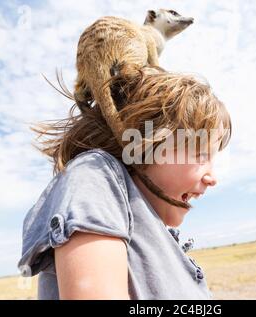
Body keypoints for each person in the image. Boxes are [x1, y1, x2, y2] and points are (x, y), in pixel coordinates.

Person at [17, 66, 232, 299]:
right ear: (149, 143)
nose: (212, 178)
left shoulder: (151, 230)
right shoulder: (94, 174)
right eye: (200, 154)